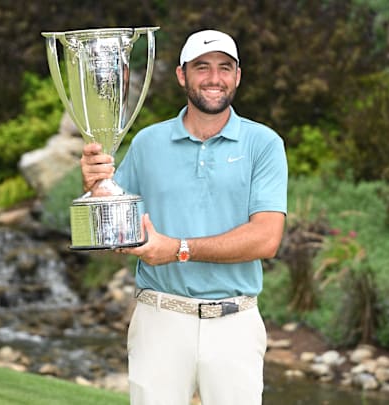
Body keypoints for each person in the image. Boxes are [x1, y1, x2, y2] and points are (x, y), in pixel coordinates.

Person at [80, 29, 288, 405]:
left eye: (225, 68)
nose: (214, 78)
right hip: (159, 318)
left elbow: (266, 238)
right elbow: (116, 232)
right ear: (182, 75)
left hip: (235, 323)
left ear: (237, 76)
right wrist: (97, 188)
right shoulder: (148, 143)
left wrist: (178, 249)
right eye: (202, 67)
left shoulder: (264, 144)